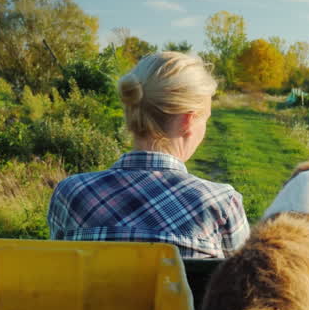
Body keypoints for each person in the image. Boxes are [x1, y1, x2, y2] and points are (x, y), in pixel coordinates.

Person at [47, 51, 249, 258]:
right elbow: (245, 285)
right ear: (187, 120)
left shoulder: (70, 194)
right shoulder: (221, 204)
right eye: (205, 119)